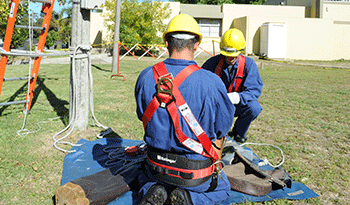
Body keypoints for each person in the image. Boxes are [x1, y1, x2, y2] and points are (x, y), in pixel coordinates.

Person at [134, 14, 235, 205]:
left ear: (166, 42)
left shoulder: (145, 76)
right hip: (194, 174)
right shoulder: (212, 81)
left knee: (143, 177)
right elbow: (222, 128)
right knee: (222, 189)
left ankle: (152, 190)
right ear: (196, 44)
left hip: (156, 167)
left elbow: (142, 116)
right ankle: (191, 199)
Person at [202, 28, 263, 143]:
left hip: (238, 104)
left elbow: (254, 90)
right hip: (217, 106)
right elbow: (201, 86)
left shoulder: (249, 65)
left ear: (240, 50)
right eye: (227, 55)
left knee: (254, 107)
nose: (230, 58)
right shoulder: (212, 63)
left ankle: (238, 134)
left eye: (233, 55)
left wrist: (237, 97)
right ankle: (214, 135)